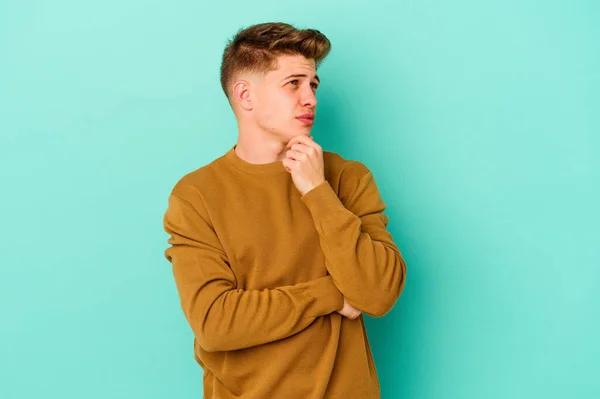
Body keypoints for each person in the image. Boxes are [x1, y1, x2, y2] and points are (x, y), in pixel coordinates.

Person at [162, 22, 407, 399]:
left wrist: (317, 190)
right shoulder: (196, 195)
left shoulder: (346, 178)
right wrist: (330, 295)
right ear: (245, 95)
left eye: (313, 85)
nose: (310, 98)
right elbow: (216, 322)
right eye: (293, 83)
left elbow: (377, 294)